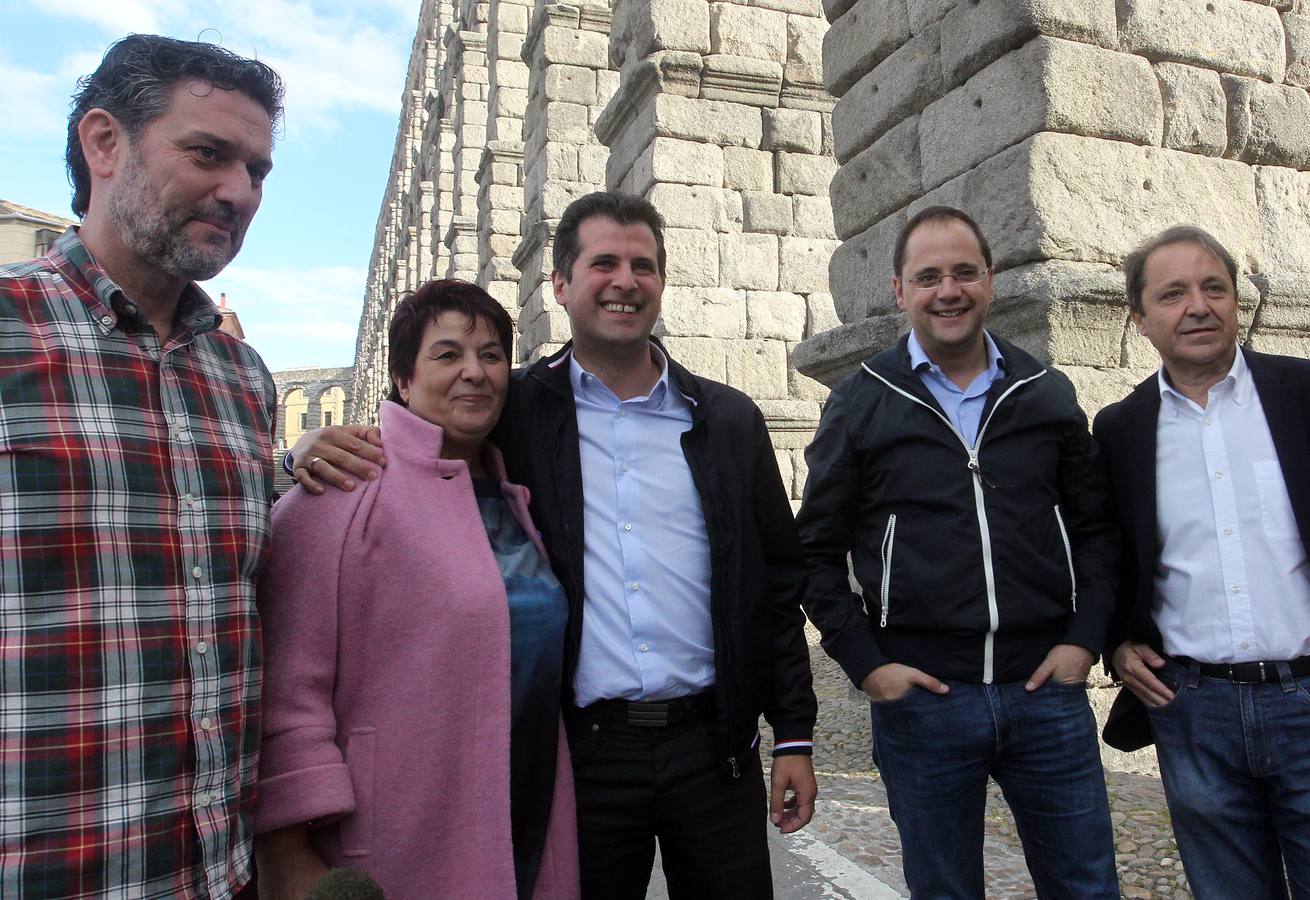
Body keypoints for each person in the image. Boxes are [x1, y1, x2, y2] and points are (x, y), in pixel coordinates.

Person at [287, 191, 818, 898]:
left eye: (643, 265)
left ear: (662, 281)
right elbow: (435, 439)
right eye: (604, 263)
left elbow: (777, 584)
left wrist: (793, 734)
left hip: (713, 748)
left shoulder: (728, 420)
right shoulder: (519, 409)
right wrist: (303, 451)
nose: (625, 281)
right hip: (583, 754)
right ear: (561, 285)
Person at [0, 35, 282, 899]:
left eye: (258, 172)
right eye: (207, 154)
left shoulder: (245, 379)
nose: (238, 191)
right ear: (104, 143)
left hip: (217, 878)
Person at [796, 206, 1120, 897]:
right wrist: (867, 665)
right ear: (899, 291)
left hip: (1047, 695)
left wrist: (1085, 639)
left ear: (990, 281)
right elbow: (813, 552)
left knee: (1086, 887)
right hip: (923, 703)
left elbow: (1096, 528)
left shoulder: (1045, 392)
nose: (949, 290)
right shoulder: (860, 403)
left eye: (964, 272)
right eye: (929, 276)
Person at [253, 279, 579, 899]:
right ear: (402, 378)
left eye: (490, 355)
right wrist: (287, 847)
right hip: (401, 823)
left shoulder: (513, 492)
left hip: (527, 797)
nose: (474, 373)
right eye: (447, 354)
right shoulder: (342, 491)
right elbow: (286, 687)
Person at [1096, 226, 1310, 899]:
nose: (1198, 306)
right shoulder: (1121, 430)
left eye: (1214, 287)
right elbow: (1108, 553)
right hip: (1194, 712)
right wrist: (1114, 645)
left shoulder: (1301, 393)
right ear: (1140, 318)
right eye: (1174, 293)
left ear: (1237, 302)